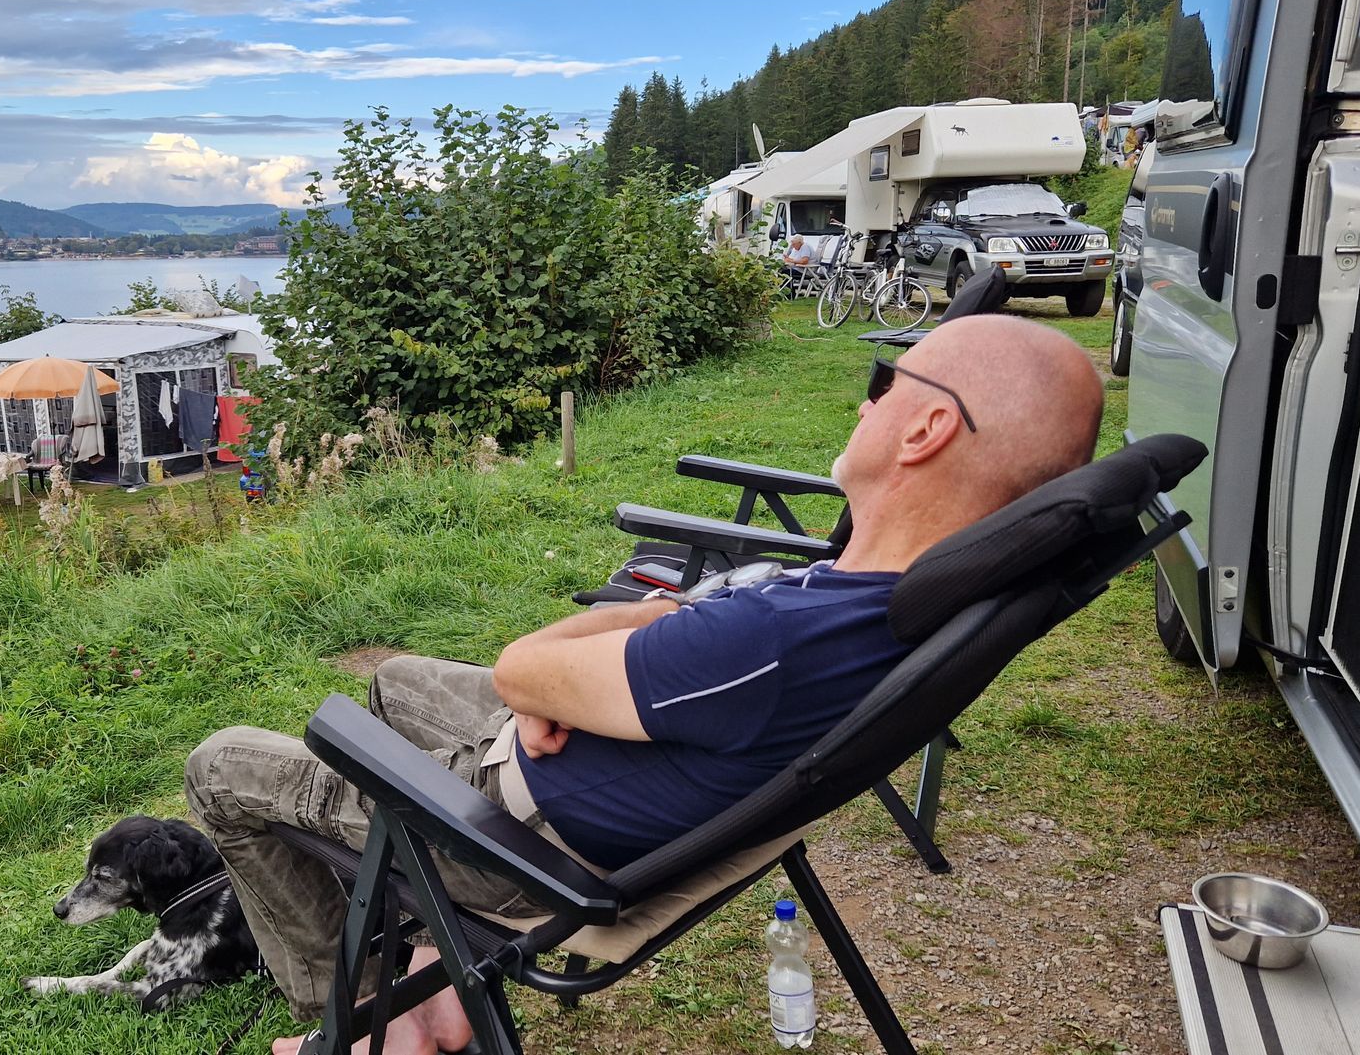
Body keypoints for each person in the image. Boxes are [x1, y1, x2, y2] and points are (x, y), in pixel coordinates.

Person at [184, 315, 1106, 1055]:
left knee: (221, 767)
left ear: (927, 429)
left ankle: (364, 1020)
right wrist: (609, 661)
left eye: (885, 383)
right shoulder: (895, 600)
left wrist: (583, 661)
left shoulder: (770, 640)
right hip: (619, 767)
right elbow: (610, 662)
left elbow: (521, 664)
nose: (865, 401)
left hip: (524, 839)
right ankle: (431, 967)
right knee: (394, 681)